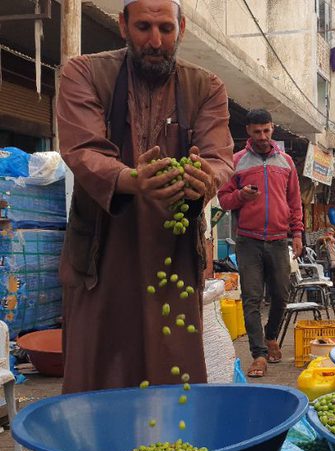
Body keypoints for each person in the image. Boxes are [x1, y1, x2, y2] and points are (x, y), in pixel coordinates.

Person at [56, 0, 234, 393]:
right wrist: (129, 178)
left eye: (165, 29)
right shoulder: (84, 73)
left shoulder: (206, 86)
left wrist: (206, 178)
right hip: (101, 253)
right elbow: (82, 150)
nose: (155, 41)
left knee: (173, 367)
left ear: (181, 28)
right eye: (143, 27)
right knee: (97, 372)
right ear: (122, 25)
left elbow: (219, 157)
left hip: (174, 254)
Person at [217, 108, 304, 378]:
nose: (263, 136)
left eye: (266, 131)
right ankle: (258, 354)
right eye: (257, 132)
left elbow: (294, 202)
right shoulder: (237, 162)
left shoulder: (287, 162)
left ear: (272, 128)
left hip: (279, 240)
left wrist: (298, 233)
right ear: (248, 132)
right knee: (252, 298)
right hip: (248, 241)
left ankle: (270, 337)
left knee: (281, 295)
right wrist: (241, 196)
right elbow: (223, 199)